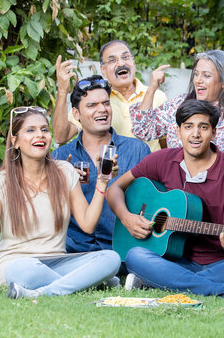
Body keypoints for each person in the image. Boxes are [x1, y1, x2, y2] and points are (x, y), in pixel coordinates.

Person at [107, 99, 224, 300]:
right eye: (188, 127)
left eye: (203, 127)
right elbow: (114, 187)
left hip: (219, 263)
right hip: (172, 259)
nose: (195, 134)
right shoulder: (162, 159)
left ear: (214, 132)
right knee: (135, 256)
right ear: (178, 131)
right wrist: (126, 217)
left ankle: (162, 282)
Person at [0, 107, 121, 299]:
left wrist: (102, 182)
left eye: (44, 129)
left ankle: (44, 292)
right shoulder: (3, 180)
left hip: (57, 260)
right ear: (15, 141)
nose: (39, 135)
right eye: (30, 130)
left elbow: (88, 224)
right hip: (18, 263)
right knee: (24, 270)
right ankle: (86, 281)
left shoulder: (65, 172)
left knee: (111, 259)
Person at [53, 75, 151, 253]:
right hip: (74, 246)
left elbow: (151, 201)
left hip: (121, 245)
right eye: (92, 105)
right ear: (76, 114)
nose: (102, 110)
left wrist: (135, 220)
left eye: (106, 103)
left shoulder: (138, 150)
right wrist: (62, 182)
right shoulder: (61, 156)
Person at [130, 49, 224, 159]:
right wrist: (152, 88)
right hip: (177, 189)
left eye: (206, 76)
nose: (198, 81)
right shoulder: (178, 105)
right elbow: (142, 130)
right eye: (196, 74)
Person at [53, 39, 168, 151]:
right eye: (112, 60)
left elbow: (164, 144)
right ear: (103, 70)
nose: (121, 63)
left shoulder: (157, 96)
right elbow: (61, 137)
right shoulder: (96, 101)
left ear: (133, 61)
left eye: (125, 57)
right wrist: (62, 91)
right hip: (111, 168)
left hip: (148, 169)